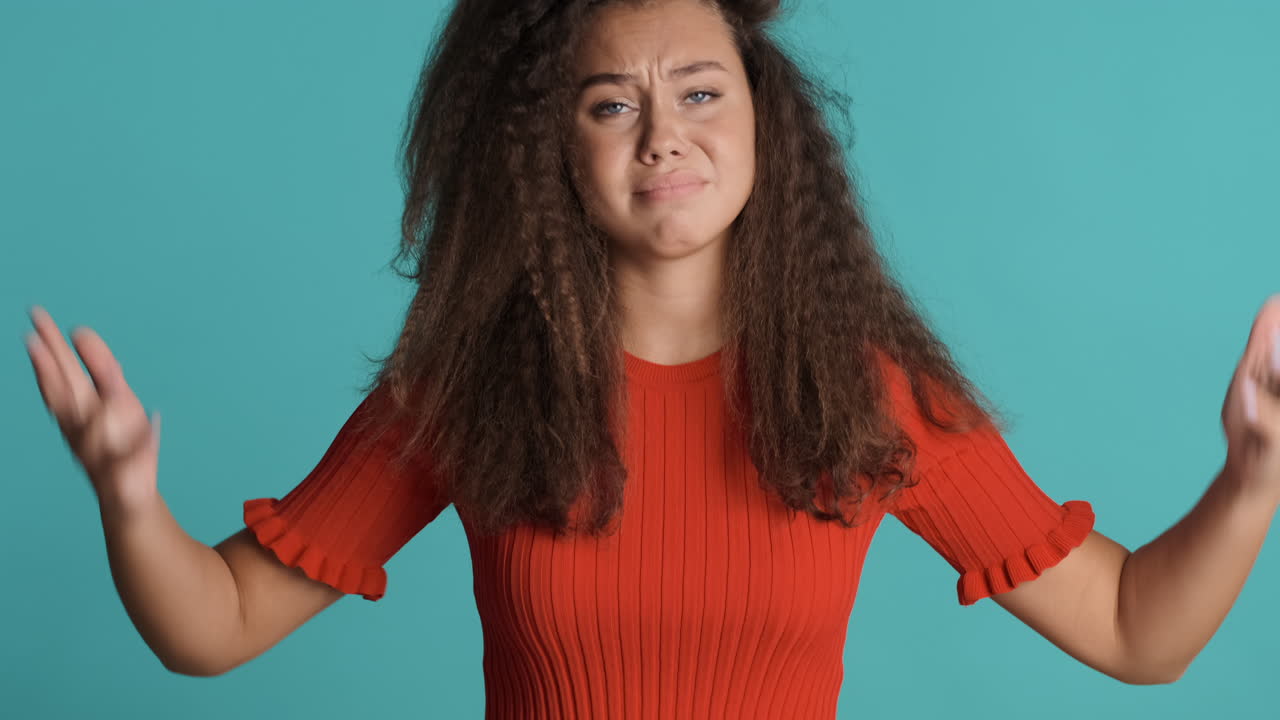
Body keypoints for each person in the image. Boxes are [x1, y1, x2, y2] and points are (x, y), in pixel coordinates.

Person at [23, 0, 1280, 717]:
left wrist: (1252, 473)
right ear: (551, 149)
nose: (661, 136)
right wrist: (129, 497)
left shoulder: (865, 389)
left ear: (763, 119)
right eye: (609, 103)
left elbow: (1130, 631)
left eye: (698, 92)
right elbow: (217, 626)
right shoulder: (467, 386)